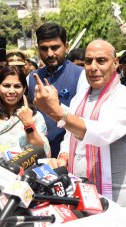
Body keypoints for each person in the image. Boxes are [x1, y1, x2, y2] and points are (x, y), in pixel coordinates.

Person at [33, 39, 126, 206]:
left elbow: (102, 133)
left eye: (101, 61)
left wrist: (58, 113)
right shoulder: (80, 97)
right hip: (82, 189)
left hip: (116, 193)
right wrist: (64, 156)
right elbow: (70, 135)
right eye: (88, 61)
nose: (93, 67)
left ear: (115, 64)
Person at [28, 22, 86, 157]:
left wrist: (55, 107)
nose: (49, 54)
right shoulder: (31, 78)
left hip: (72, 154)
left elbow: (83, 120)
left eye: (55, 47)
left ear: (66, 47)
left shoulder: (81, 75)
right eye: (44, 48)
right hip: (39, 155)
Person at [0, 66, 50, 156]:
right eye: (6, 86)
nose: (11, 91)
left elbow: (43, 151)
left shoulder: (34, 116)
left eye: (17, 86)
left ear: (24, 89)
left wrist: (28, 124)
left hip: (26, 169)